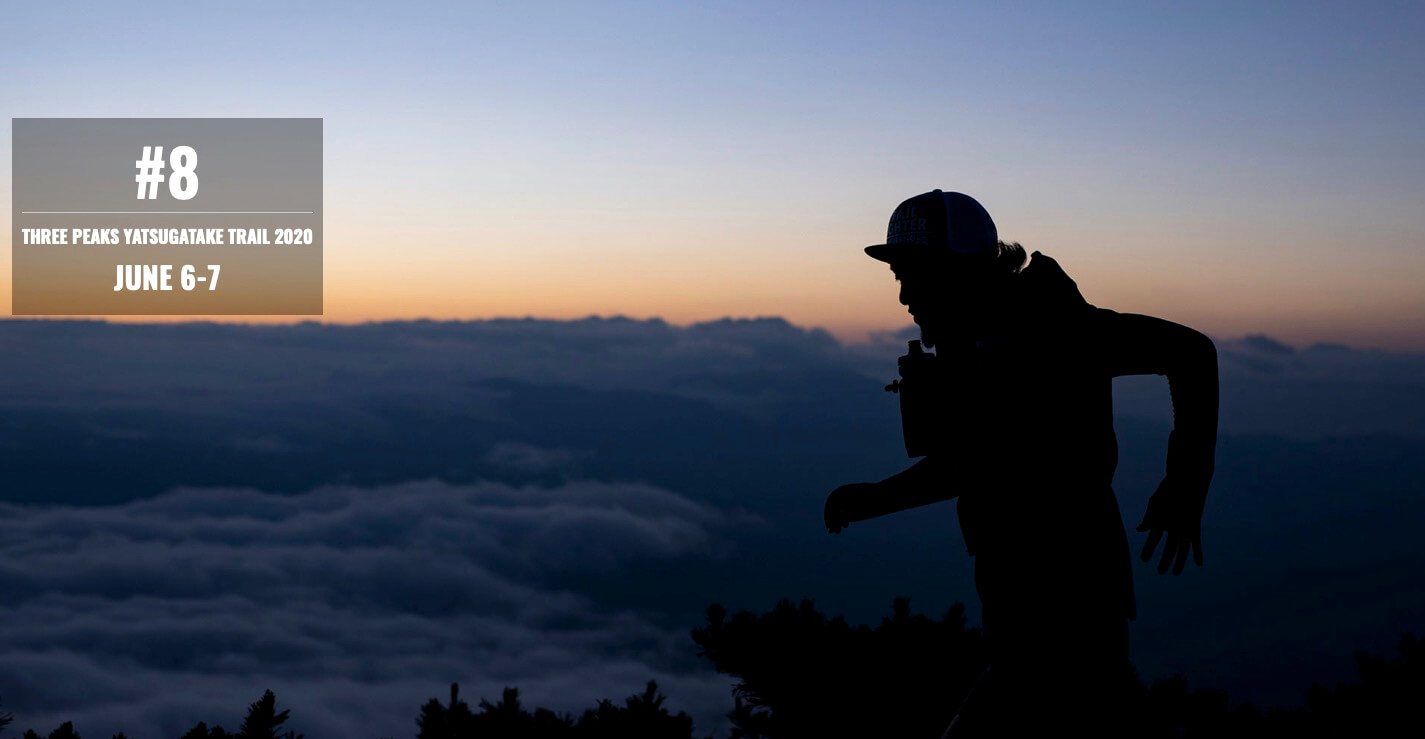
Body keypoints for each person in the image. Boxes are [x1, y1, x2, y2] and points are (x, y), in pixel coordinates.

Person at [823, 190, 1218, 737]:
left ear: (960, 271)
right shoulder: (978, 342)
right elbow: (975, 462)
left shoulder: (1054, 329)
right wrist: (874, 499)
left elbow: (1191, 352)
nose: (904, 296)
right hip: (1029, 620)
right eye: (899, 277)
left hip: (1068, 620)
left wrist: (1187, 478)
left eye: (914, 274)